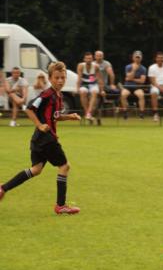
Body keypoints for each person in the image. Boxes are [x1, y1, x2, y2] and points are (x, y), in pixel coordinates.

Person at [0, 62, 82, 213]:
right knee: (64, 166)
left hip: (38, 140)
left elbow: (54, 116)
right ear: (50, 78)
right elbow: (29, 108)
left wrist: (69, 116)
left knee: (36, 169)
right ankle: (61, 206)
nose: (60, 80)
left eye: (63, 77)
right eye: (57, 77)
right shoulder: (47, 94)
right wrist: (39, 125)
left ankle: (3, 188)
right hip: (46, 139)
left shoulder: (58, 96)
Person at [76, 52, 103, 122]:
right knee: (82, 92)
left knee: (94, 92)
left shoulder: (96, 66)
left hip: (93, 84)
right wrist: (77, 88)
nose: (89, 60)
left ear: (92, 59)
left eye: (90, 58)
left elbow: (99, 78)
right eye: (87, 58)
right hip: (84, 84)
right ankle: (88, 113)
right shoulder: (81, 66)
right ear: (84, 59)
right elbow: (79, 78)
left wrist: (102, 90)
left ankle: (88, 113)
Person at [121, 50, 147, 119]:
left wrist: (131, 79)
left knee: (141, 95)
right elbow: (127, 78)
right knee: (123, 95)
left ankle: (141, 113)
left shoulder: (143, 68)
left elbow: (142, 81)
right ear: (133, 58)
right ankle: (125, 112)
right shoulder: (128, 67)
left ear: (141, 58)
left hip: (137, 87)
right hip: (128, 86)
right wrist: (134, 70)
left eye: (139, 57)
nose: (137, 59)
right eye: (136, 57)